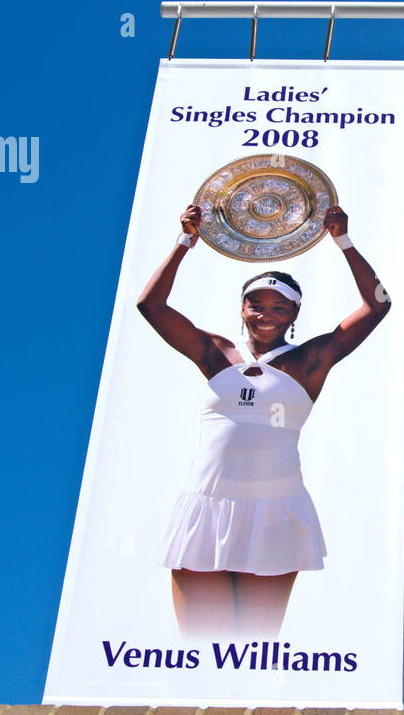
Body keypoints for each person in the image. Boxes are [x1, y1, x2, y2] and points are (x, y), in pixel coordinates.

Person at [135, 203, 390, 640]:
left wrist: (342, 241)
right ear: (242, 308)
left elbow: (378, 305)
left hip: (275, 511)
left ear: (294, 314)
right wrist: (185, 241)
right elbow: (151, 306)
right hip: (206, 508)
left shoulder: (310, 359)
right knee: (201, 647)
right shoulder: (214, 352)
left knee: (252, 651)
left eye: (280, 306)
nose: (266, 313)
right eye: (256, 304)